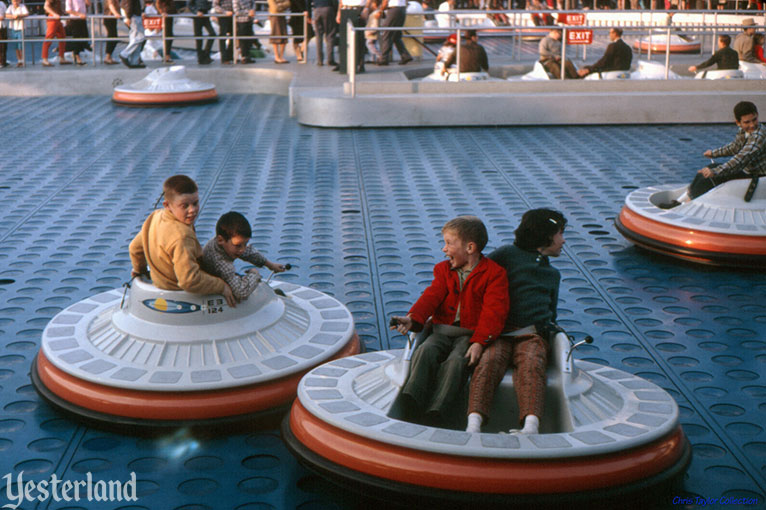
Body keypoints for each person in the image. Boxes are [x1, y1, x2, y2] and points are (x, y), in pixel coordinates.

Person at [390, 216, 509, 426]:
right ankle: (412, 401)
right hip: (441, 331)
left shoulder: (494, 274)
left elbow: (494, 312)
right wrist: (413, 318)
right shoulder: (443, 270)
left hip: (468, 335)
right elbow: (431, 297)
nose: (444, 249)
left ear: (470, 247)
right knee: (425, 351)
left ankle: (438, 410)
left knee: (456, 362)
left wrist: (479, 342)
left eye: (449, 243)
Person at [466, 208, 566, 435]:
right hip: (498, 332)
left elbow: (551, 311)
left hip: (531, 333)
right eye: (560, 233)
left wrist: (549, 332)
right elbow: (476, 277)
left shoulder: (552, 274)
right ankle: (474, 423)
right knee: (488, 362)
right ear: (545, 235)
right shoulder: (507, 255)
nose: (563, 240)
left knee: (532, 363)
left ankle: (531, 425)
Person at [129, 175, 236, 307]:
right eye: (184, 206)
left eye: (195, 203)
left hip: (160, 281)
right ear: (167, 205)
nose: (192, 210)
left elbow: (135, 248)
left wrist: (140, 271)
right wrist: (221, 286)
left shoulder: (155, 217)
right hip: (178, 289)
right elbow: (189, 281)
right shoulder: (181, 237)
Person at [660, 101, 766, 209]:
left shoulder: (759, 135)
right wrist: (714, 153)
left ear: (757, 116)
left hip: (756, 174)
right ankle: (679, 201)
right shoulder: (743, 131)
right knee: (706, 170)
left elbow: (741, 158)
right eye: (747, 122)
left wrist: (715, 172)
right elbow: (735, 147)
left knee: (711, 178)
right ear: (738, 123)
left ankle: (684, 205)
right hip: (747, 169)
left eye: (754, 120)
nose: (752, 125)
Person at [202, 211, 287, 301]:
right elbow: (241, 292)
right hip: (212, 288)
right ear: (220, 240)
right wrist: (254, 275)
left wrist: (270, 265)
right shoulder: (222, 264)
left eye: (245, 244)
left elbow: (248, 252)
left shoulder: (222, 242)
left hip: (217, 277)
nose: (242, 249)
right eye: (238, 245)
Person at [377, 0, 412, 66]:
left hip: (394, 9)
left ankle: (383, 58)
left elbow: (385, 1)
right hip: (402, 9)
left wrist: (380, 11)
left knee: (387, 34)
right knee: (396, 35)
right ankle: (405, 55)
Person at [335, 0, 364, 73]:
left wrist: (367, 9)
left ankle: (360, 64)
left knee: (358, 39)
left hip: (359, 9)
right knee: (344, 39)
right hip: (345, 9)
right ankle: (343, 63)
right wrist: (339, 13)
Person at [42, 0, 71, 67]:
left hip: (57, 19)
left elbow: (58, 8)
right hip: (53, 18)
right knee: (49, 38)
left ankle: (62, 58)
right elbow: (46, 6)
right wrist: (54, 14)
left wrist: (63, 14)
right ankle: (45, 59)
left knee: (62, 37)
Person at [119, 0, 146, 68]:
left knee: (134, 37)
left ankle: (134, 61)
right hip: (134, 16)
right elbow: (129, 3)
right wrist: (128, 17)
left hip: (133, 15)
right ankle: (125, 54)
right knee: (140, 37)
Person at [190, 0, 215, 64]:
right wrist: (196, 11)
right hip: (197, 16)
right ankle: (200, 58)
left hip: (205, 14)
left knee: (212, 33)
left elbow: (210, 3)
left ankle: (206, 54)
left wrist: (207, 7)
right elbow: (190, 4)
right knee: (198, 37)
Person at [65, 0, 90, 65]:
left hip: (83, 19)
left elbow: (88, 4)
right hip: (75, 19)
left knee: (85, 36)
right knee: (77, 37)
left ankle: (77, 53)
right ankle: (77, 56)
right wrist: (79, 14)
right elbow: (68, 10)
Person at [312, 0, 336, 66]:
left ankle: (320, 60)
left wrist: (308, 13)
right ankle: (330, 60)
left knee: (318, 36)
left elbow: (308, 2)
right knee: (330, 35)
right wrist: (336, 12)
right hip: (328, 8)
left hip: (316, 10)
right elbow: (335, 2)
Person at [6, 0, 28, 67]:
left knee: (21, 45)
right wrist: (13, 16)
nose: (15, 2)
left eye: (17, 1)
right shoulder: (10, 7)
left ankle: (22, 60)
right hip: (13, 28)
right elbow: (6, 14)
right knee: (16, 45)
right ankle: (19, 60)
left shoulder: (22, 6)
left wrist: (18, 16)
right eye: (14, 1)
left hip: (20, 27)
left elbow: (26, 14)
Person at [363, 0, 382, 64]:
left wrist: (373, 31)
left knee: (369, 44)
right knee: (373, 44)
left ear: (374, 4)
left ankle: (379, 55)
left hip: (372, 31)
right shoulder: (374, 12)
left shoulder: (376, 13)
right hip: (371, 31)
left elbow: (375, 23)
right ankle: (372, 58)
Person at [0, 0, 7, 68]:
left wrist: (4, 16)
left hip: (3, 26)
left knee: (4, 45)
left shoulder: (2, 3)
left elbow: (6, 13)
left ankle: (3, 61)